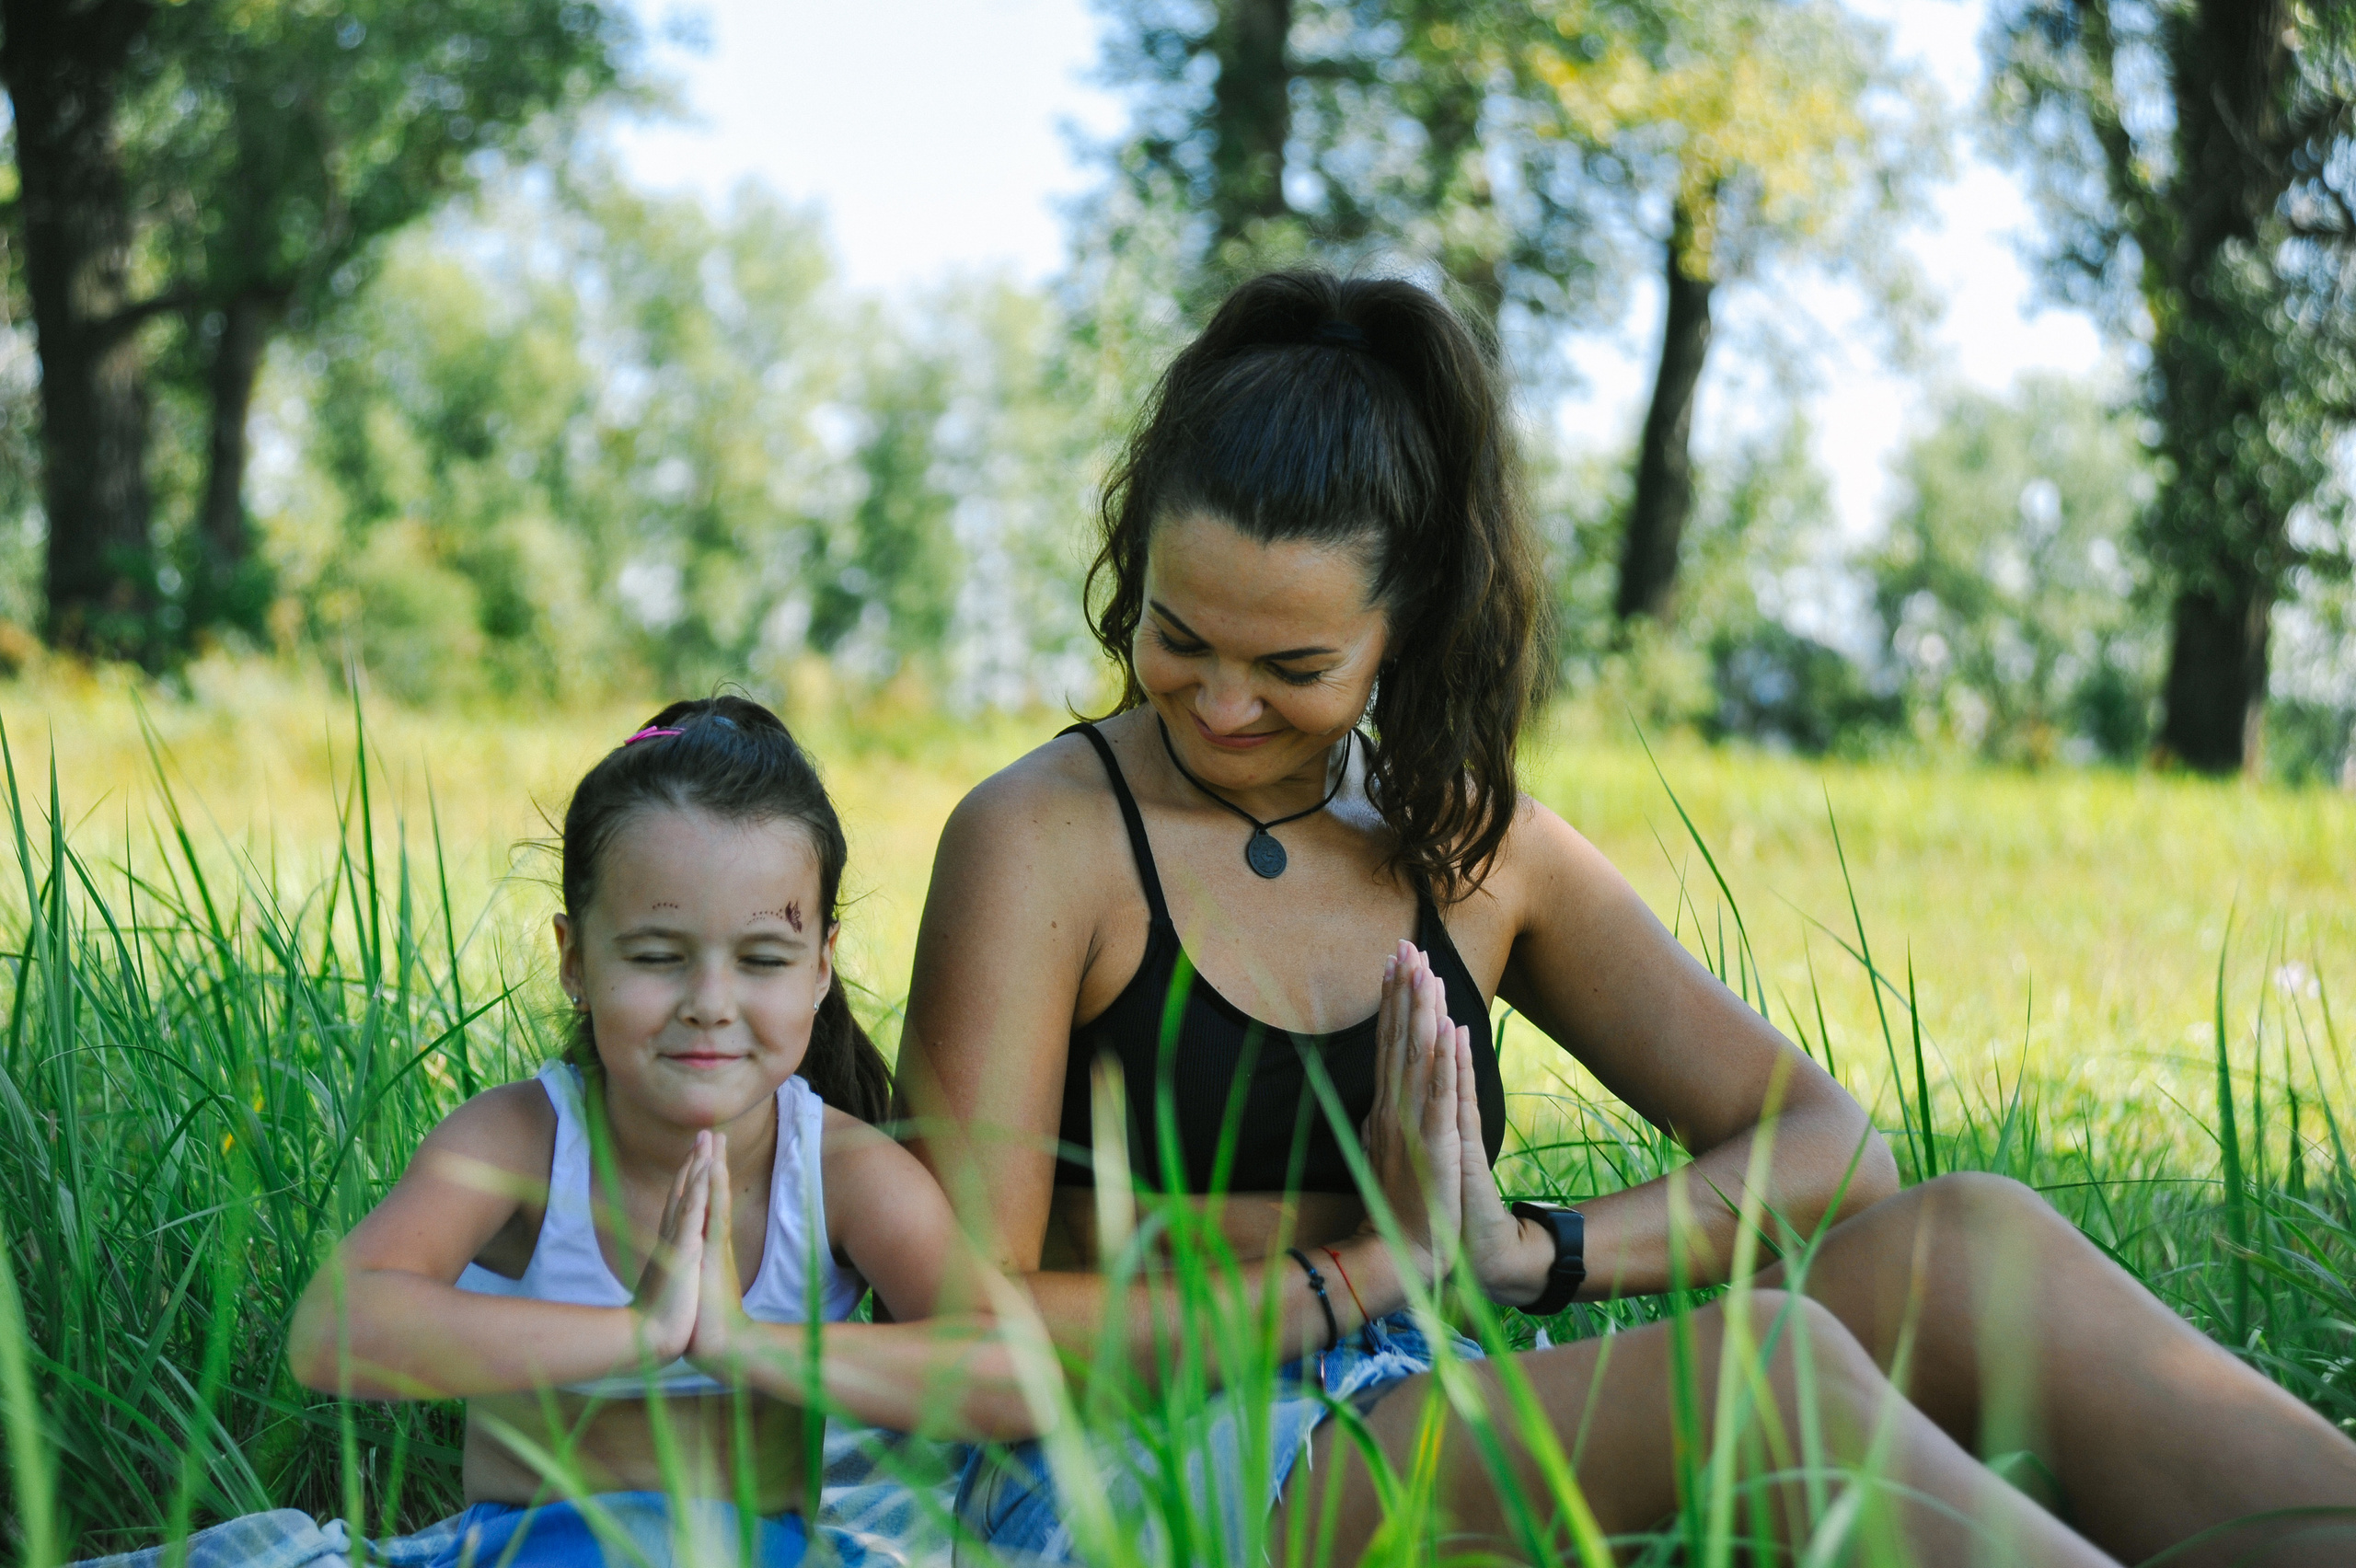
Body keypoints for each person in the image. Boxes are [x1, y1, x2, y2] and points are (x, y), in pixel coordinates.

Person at [896, 270, 2356, 1565]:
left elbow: (1829, 1150)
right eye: (1178, 637)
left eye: (1293, 667)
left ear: (1409, 629)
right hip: (1128, 1462)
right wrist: (1365, 1274)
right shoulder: (1041, 842)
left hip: (1411, 1402)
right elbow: (964, 1331)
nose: (1221, 704)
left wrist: (1520, 1251)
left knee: (1976, 1247)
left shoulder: (1473, 851)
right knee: (1763, 1371)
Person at [288, 698, 1036, 1568]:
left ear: (821, 966)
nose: (710, 1004)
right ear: (575, 959)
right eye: (655, 956)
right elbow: (333, 1332)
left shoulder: (842, 1173)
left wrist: (745, 1344)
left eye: (762, 960)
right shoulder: (518, 1143)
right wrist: (640, 1336)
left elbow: (1012, 1377)